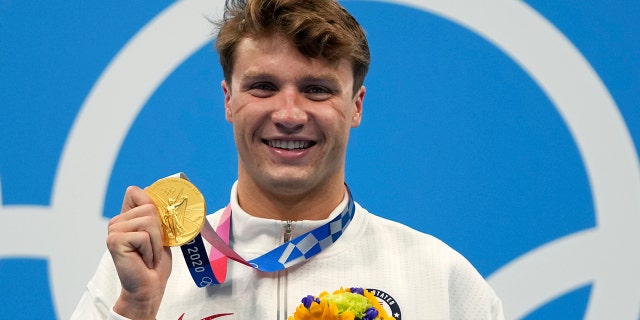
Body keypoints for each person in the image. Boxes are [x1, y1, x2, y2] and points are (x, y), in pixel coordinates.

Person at [71, 0, 504, 319]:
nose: (289, 115)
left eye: (317, 89)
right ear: (228, 100)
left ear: (356, 106)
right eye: (263, 86)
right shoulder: (137, 275)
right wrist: (137, 308)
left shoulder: (438, 280)